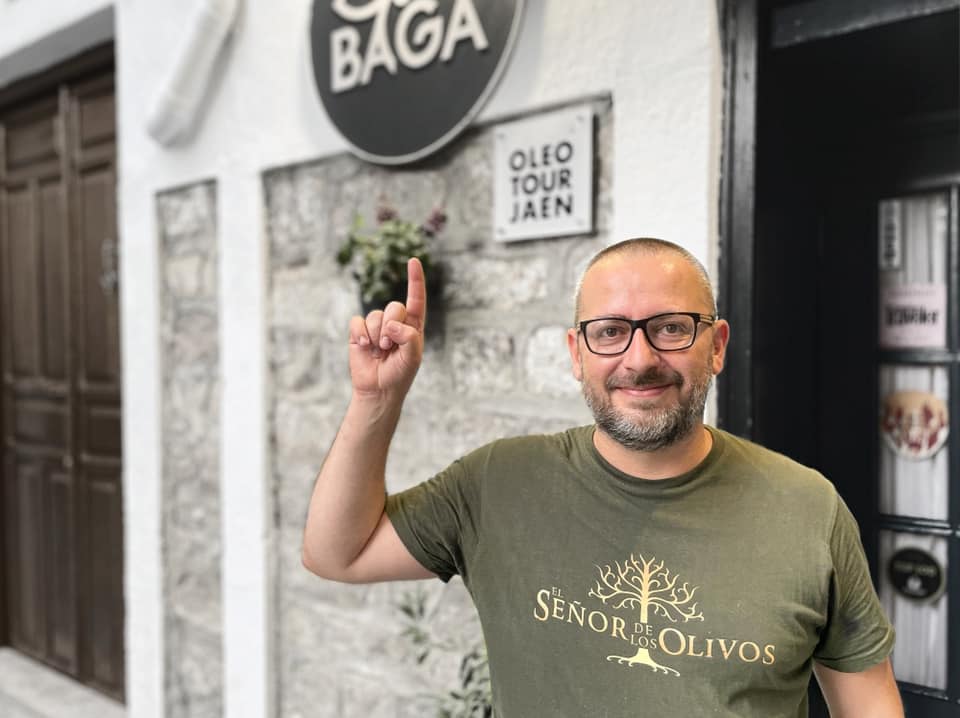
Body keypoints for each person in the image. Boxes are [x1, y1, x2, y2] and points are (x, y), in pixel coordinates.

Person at [302, 238, 903, 717]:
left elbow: (868, 701)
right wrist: (376, 401)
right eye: (610, 331)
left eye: (670, 327)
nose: (639, 360)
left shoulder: (806, 507)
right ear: (575, 353)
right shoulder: (498, 484)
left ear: (715, 346)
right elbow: (337, 554)